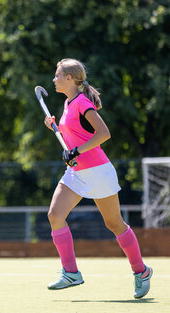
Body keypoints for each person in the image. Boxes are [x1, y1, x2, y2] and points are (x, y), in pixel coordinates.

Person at [43, 58, 152, 299]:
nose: (54, 79)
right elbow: (75, 135)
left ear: (69, 78)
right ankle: (71, 272)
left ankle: (141, 271)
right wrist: (56, 130)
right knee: (55, 215)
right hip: (76, 172)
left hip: (97, 170)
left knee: (114, 224)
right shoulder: (67, 103)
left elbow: (104, 134)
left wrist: (77, 151)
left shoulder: (82, 103)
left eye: (58, 75)